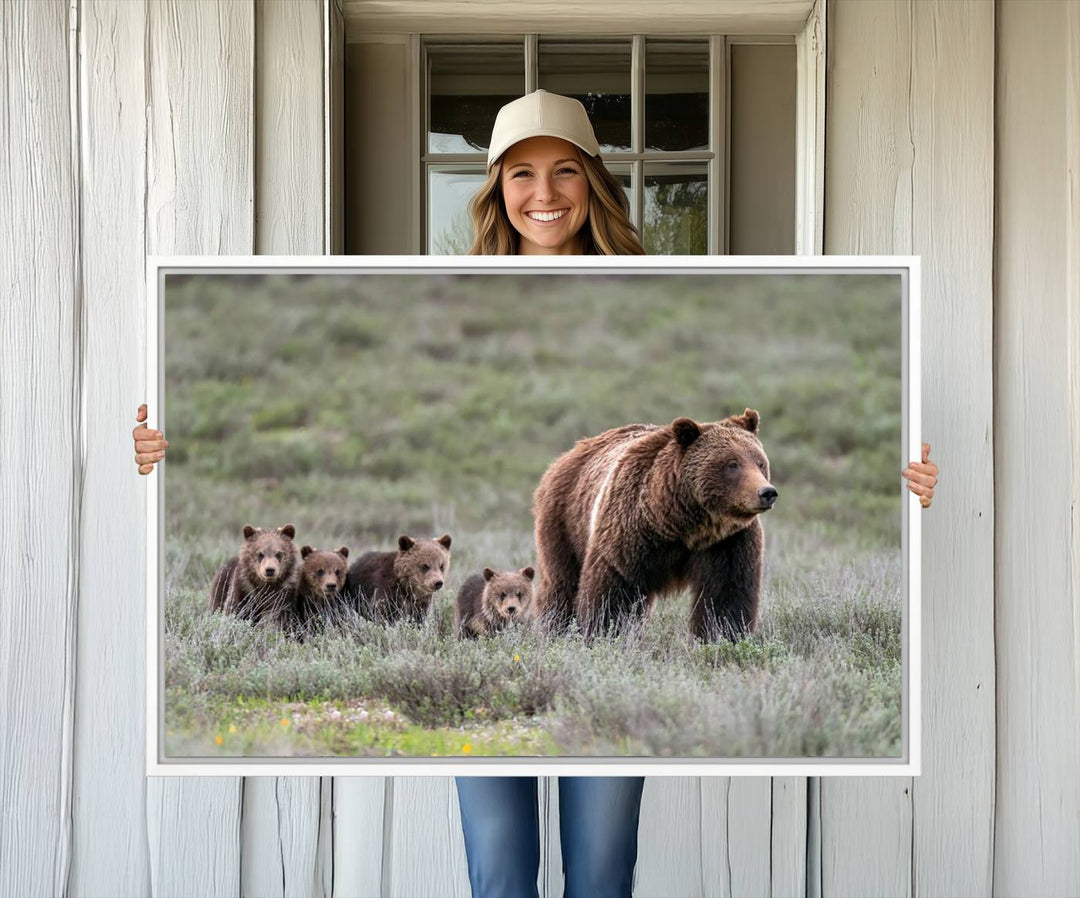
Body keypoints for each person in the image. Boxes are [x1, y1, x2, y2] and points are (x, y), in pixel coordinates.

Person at [131, 89, 939, 898]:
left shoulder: (666, 290)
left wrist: (914, 485)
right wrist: (154, 454)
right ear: (494, 189)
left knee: (600, 871)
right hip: (577, 503)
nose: (544, 194)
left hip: (652, 518)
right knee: (502, 870)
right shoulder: (444, 289)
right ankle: (556, 657)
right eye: (521, 174)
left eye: (564, 173)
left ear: (594, 182)